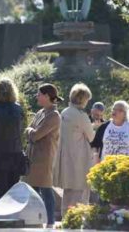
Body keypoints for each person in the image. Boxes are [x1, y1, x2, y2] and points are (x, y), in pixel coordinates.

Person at [53, 83, 95, 217]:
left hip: (66, 159)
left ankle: (67, 221)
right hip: (79, 160)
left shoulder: (64, 112)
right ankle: (77, 223)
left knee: (67, 194)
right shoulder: (81, 115)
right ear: (83, 99)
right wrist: (96, 126)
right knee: (81, 195)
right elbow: (91, 137)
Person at [25, 83, 63, 228]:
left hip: (45, 159)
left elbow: (35, 135)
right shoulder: (41, 112)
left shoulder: (54, 116)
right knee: (34, 190)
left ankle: (50, 222)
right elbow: (31, 131)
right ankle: (36, 219)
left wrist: (30, 131)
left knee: (46, 190)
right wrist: (30, 131)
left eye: (39, 94)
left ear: (47, 96)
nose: (37, 96)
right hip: (34, 158)